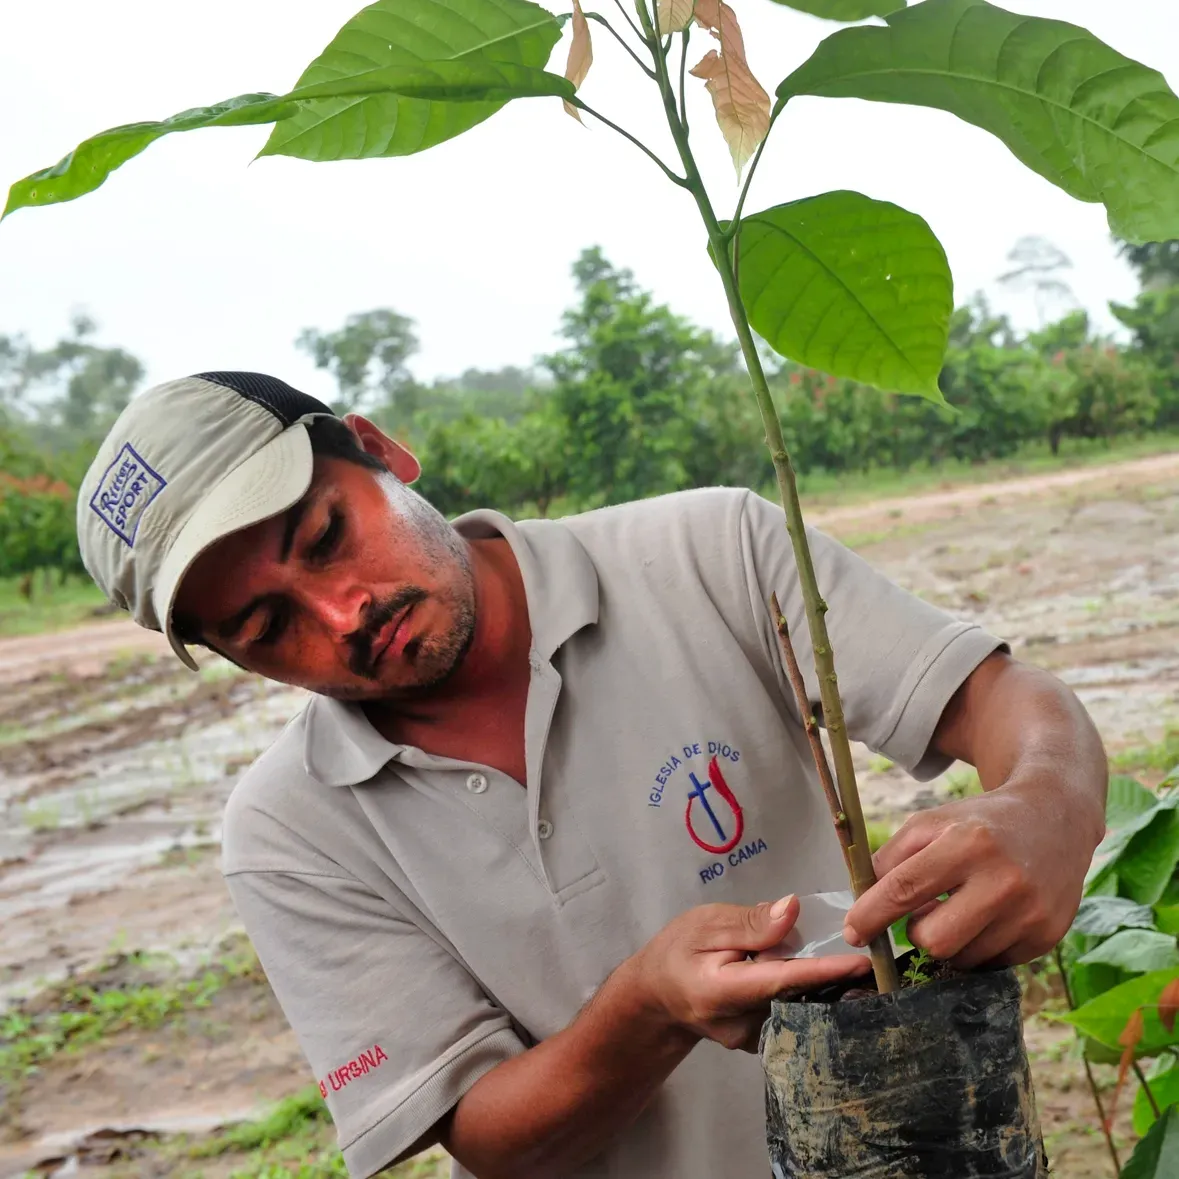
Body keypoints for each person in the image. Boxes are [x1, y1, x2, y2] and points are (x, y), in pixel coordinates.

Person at [77, 371, 1107, 1179]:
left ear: (380, 450)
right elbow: (488, 1137)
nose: (344, 613)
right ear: (230, 657)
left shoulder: (707, 553)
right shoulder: (290, 831)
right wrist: (646, 1007)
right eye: (267, 627)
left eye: (327, 537)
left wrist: (1045, 802)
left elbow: (1001, 702)